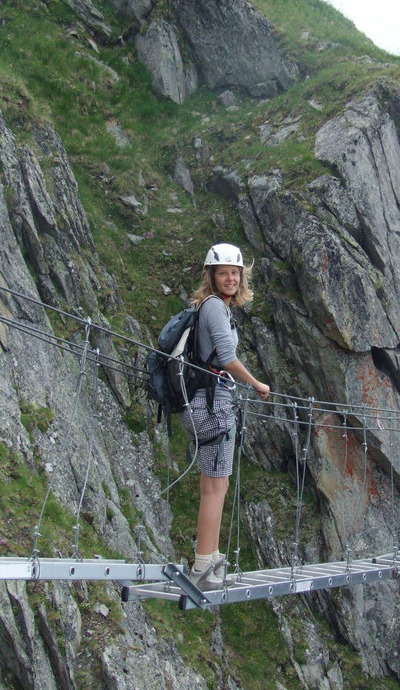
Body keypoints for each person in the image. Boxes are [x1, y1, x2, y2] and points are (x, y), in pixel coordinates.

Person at [181, 242, 270, 590]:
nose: (231, 278)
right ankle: (204, 565)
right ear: (212, 276)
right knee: (216, 487)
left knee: (215, 485)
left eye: (235, 273)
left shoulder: (212, 307)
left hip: (203, 402)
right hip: (213, 403)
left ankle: (211, 557)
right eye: (224, 273)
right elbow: (227, 358)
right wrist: (257, 383)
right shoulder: (216, 308)